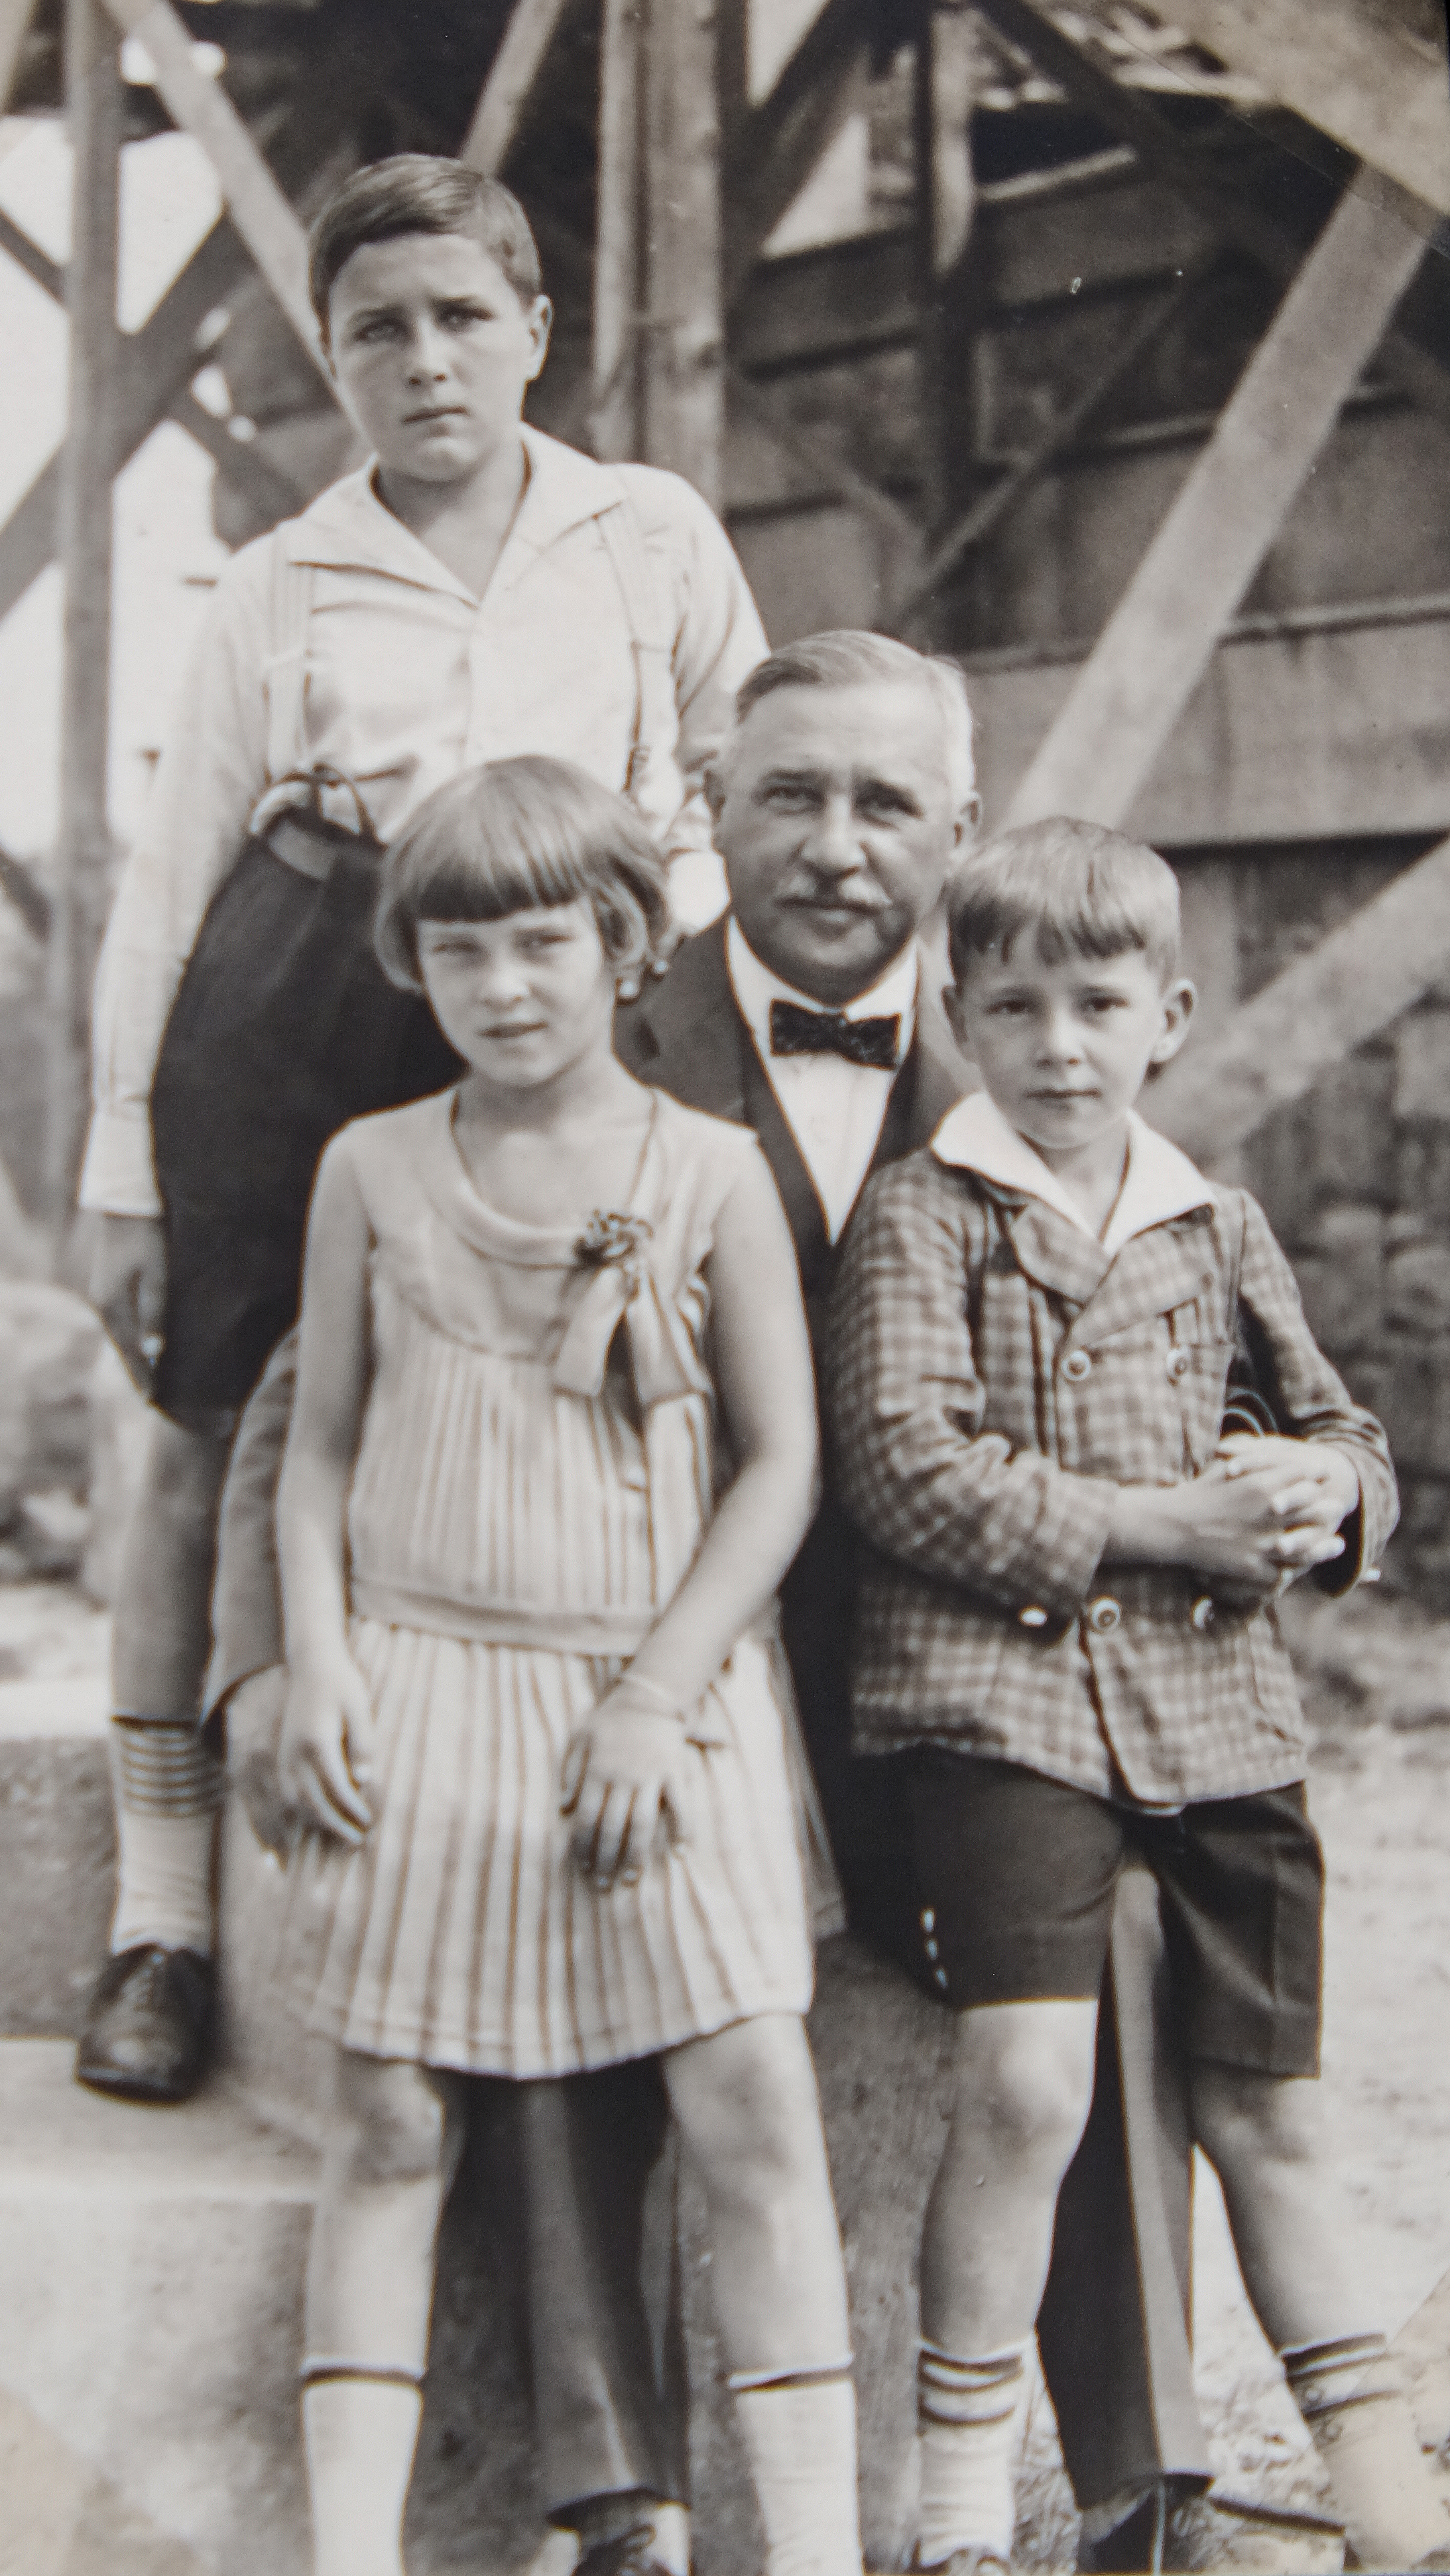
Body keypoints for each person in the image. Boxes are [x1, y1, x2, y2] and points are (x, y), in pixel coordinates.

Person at [212, 633, 1220, 2566]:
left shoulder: (1037, 1039)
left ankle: (1138, 2475)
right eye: (789, 797)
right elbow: (310, 1406)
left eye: (886, 804)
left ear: (962, 828)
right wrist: (273, 1663)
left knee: (1104, 1919)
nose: (836, 846)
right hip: (617, 1646)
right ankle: (625, 2496)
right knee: (534, 1956)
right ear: (708, 819)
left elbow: (1171, 1364)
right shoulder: (560, 1010)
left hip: (947, 1676)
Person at [74, 149, 764, 2105]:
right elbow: (170, 881)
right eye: (377, 329)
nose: (426, 360)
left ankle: (646, 1827)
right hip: (305, 994)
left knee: (608, 1386)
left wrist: (659, 932)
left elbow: (744, 765)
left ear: (537, 330)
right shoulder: (279, 582)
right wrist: (123, 1170)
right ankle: (162, 1921)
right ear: (334, 358)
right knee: (209, 1424)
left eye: (465, 316)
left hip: (565, 983)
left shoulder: (646, 532)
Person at [827, 816, 1450, 2576]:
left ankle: (1382, 2497)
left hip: (1218, 1722)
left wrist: (1330, 1494)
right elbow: (904, 1466)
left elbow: (1341, 1427)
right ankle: (960, 2511)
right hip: (1001, 1710)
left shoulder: (1214, 1221)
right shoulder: (923, 1214)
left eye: (1098, 1006)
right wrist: (1162, 1524)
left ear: (1167, 1017)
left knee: (1273, 2110)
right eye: (1014, 1011)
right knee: (1028, 2085)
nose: (1058, 1049)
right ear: (957, 1020)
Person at [274, 753, 860, 2576]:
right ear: (415, 966)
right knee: (386, 2116)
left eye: (541, 943)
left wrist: (656, 1697)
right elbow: (314, 1450)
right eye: (459, 951)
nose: (502, 986)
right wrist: (316, 1661)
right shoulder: (370, 1168)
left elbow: (781, 1465)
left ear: (624, 945)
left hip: (653, 1702)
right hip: (425, 1685)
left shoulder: (710, 1174)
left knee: (751, 2092)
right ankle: (351, 2554)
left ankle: (817, 2548)